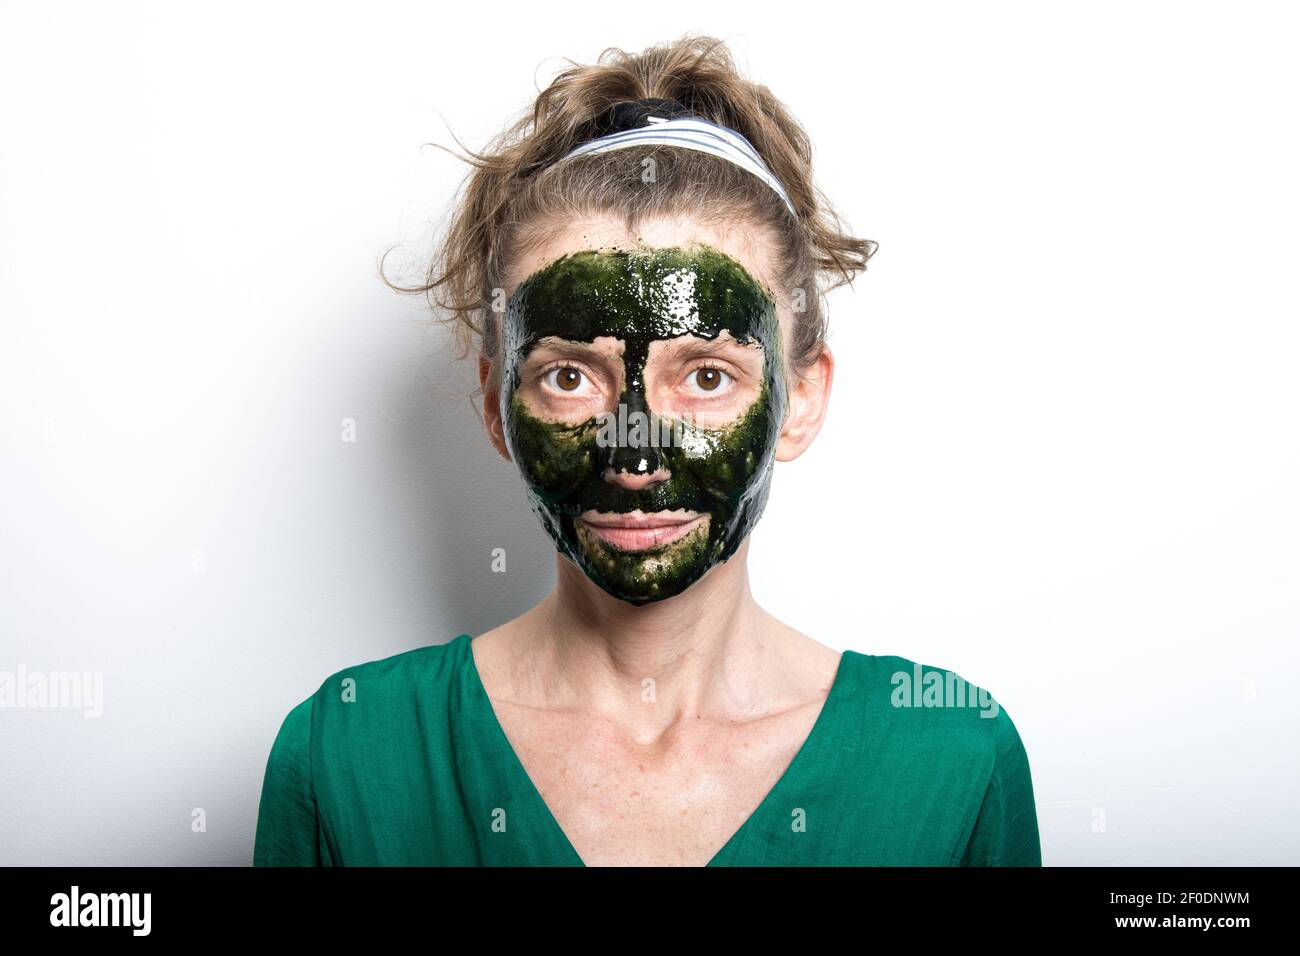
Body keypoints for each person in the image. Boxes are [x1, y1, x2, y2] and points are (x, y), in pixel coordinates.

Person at [253, 34, 1041, 866]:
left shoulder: (952, 760)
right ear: (495, 405)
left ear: (801, 399)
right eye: (568, 377)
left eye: (705, 377)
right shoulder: (344, 756)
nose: (637, 456)